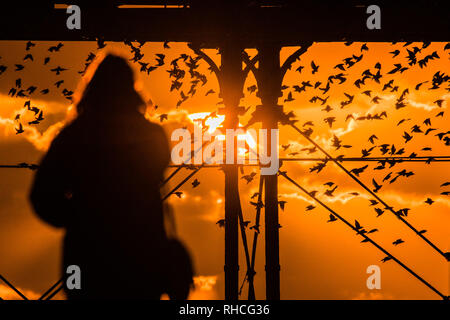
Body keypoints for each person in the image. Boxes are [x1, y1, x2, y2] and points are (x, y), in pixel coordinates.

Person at [29, 53, 188, 299]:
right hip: (142, 259)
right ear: (130, 88)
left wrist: (78, 217)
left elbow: (42, 196)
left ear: (93, 89)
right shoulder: (152, 135)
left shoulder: (74, 136)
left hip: (89, 261)